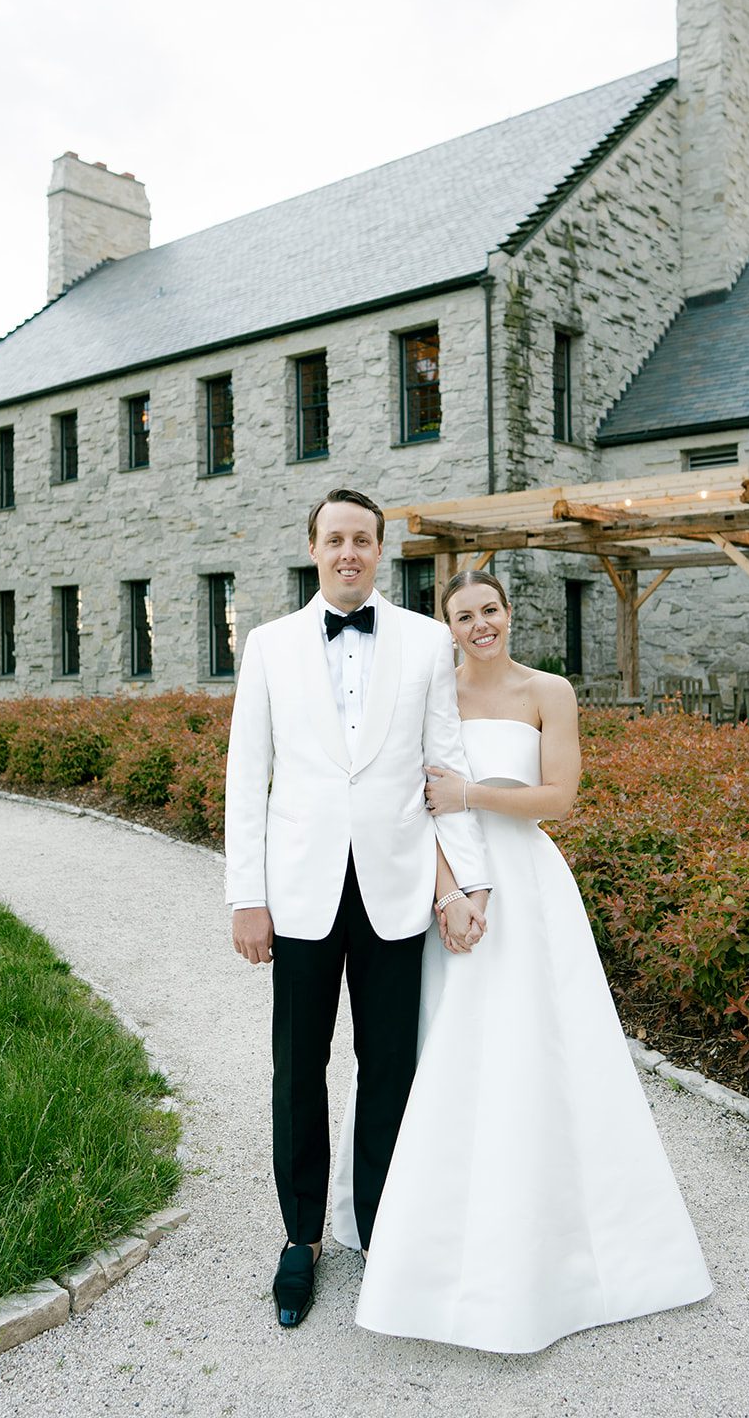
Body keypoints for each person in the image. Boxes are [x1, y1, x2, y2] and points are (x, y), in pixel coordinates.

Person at [332, 569, 713, 1353]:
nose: (479, 625)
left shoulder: (550, 691)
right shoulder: (429, 692)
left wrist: (474, 795)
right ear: (447, 626)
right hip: (452, 890)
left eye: (489, 611)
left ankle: (560, 1235)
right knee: (446, 1050)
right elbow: (414, 807)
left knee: (541, 1049)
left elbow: (560, 798)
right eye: (463, 615)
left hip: (530, 886)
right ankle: (420, 1231)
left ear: (508, 614)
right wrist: (449, 895)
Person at [225, 489, 489, 1328]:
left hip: (396, 890)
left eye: (362, 540)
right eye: (334, 538)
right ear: (313, 549)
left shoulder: (422, 640)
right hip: (298, 894)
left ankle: (381, 1234)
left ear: (381, 551)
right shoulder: (266, 647)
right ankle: (300, 1240)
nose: (349, 552)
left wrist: (465, 885)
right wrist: (246, 897)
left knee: (391, 1072)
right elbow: (246, 777)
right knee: (298, 1071)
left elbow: (444, 766)